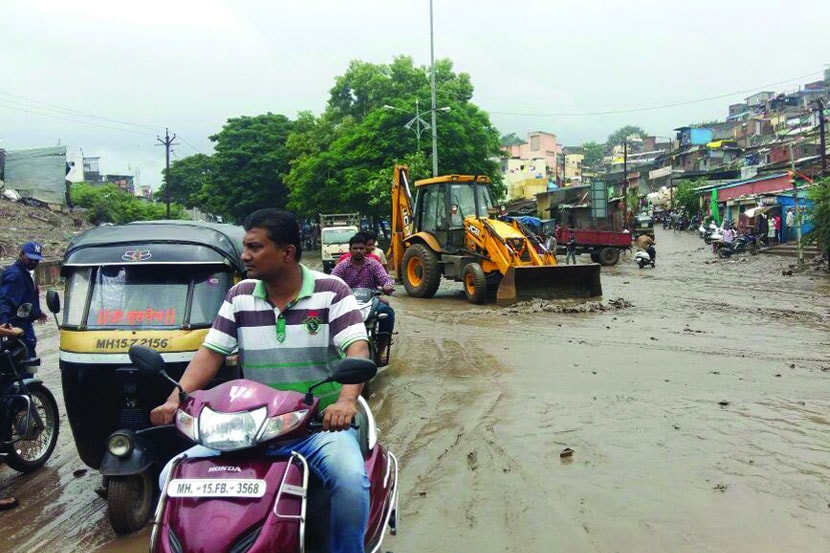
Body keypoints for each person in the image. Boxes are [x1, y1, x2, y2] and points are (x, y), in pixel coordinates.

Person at [151, 209, 371, 553]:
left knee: (350, 482)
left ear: (287, 252)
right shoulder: (239, 295)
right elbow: (212, 352)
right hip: (252, 428)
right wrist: (175, 398)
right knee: (171, 476)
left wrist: (345, 401)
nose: (245, 255)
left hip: (318, 427)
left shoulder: (332, 290)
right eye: (245, 246)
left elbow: (356, 348)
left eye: (255, 247)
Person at [331, 234, 395, 365]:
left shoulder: (373, 264)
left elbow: (385, 278)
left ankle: (381, 351)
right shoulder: (342, 266)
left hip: (371, 301)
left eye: (361, 248)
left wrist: (387, 285)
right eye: (355, 248)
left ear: (366, 249)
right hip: (348, 303)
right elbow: (332, 281)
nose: (358, 251)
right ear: (350, 249)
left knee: (388, 314)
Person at [0, 241, 47, 358]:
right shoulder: (16, 274)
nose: (33, 262)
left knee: (28, 358)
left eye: (36, 260)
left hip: (24, 324)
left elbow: (26, 298)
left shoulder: (25, 273)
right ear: (21, 255)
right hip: (16, 325)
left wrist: (37, 312)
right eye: (30, 258)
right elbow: (4, 299)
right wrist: (5, 324)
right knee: (24, 362)